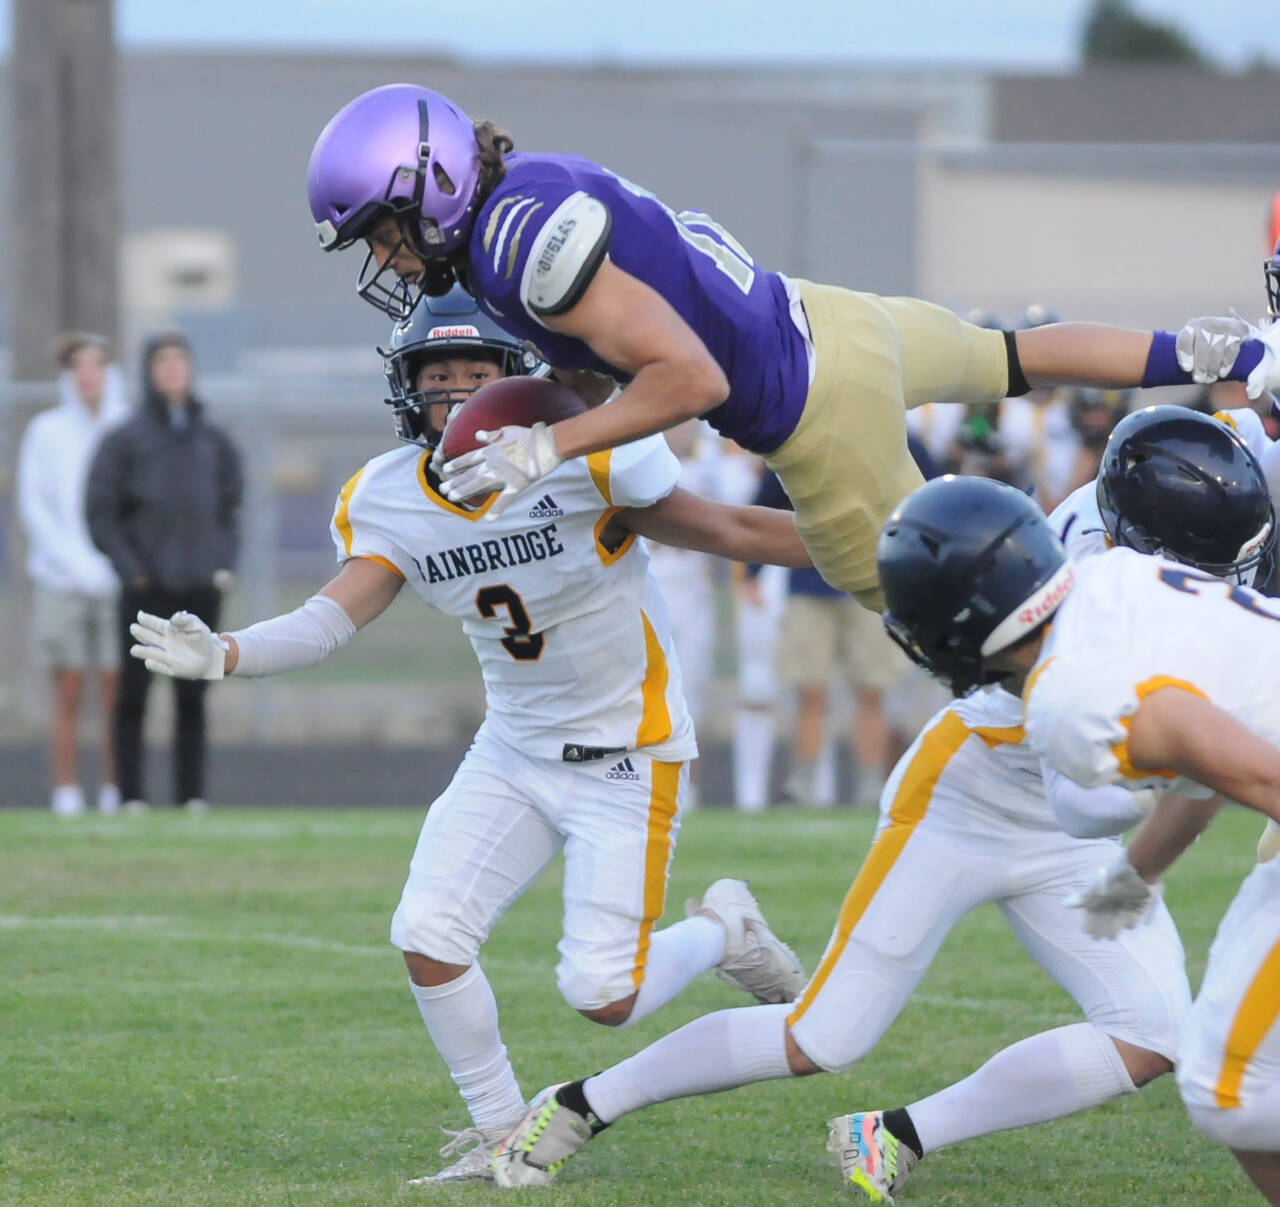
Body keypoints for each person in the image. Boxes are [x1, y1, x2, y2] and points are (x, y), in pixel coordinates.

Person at [484, 409, 1270, 1195]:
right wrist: (1150, 812)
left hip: (1074, 790)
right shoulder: (1085, 615)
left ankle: (894, 1134)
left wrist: (1138, 857)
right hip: (975, 791)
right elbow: (1094, 794)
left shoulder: (1129, 580)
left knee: (1153, 1034)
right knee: (823, 1034)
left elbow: (1176, 764)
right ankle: (582, 1103)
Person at [128, 288, 814, 1183]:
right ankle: (504, 1132)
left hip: (628, 753)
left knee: (605, 997)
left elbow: (726, 527)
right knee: (428, 934)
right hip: (516, 749)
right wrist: (225, 652)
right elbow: (332, 617)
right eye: (437, 375)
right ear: (406, 388)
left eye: (476, 372)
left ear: (515, 377)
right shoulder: (389, 495)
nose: (455, 392)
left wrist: (874, 547)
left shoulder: (582, 458)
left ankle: (723, 931)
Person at [305, 84, 1280, 611]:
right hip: (831, 319)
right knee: (1011, 357)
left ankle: (1129, 631)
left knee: (966, 623)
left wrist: (544, 448)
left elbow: (691, 377)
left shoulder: (517, 251)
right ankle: (1234, 357)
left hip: (813, 416)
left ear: (425, 187)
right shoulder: (527, 190)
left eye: (382, 229)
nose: (386, 256)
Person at [875, 474, 1280, 1205]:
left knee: (1228, 1088)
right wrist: (1134, 874)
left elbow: (1253, 769)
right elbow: (1212, 761)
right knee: (1225, 1081)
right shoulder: (1112, 576)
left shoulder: (1066, 697)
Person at [86, 331, 242, 812]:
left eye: (180, 360)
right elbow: (100, 512)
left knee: (192, 697)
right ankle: (130, 795)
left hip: (198, 586)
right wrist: (132, 571)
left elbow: (230, 508)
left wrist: (220, 563)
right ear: (149, 370)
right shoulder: (124, 440)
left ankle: (190, 796)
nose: (173, 370)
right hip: (145, 588)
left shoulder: (212, 440)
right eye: (163, 361)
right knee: (133, 696)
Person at [17, 332, 130, 815]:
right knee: (67, 687)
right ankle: (65, 791)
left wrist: (112, 561)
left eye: (96, 364)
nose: (88, 375)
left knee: (114, 688)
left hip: (115, 578)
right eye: (78, 366)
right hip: (61, 580)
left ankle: (113, 788)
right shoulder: (46, 431)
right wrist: (72, 563)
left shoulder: (125, 430)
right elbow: (34, 505)